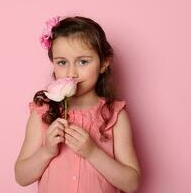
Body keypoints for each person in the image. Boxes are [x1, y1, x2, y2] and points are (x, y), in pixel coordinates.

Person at [14, 15, 141, 193]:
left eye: (83, 61)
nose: (71, 72)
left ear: (104, 63)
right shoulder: (42, 114)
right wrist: (47, 151)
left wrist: (92, 152)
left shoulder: (115, 116)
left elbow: (131, 184)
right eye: (62, 62)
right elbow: (21, 176)